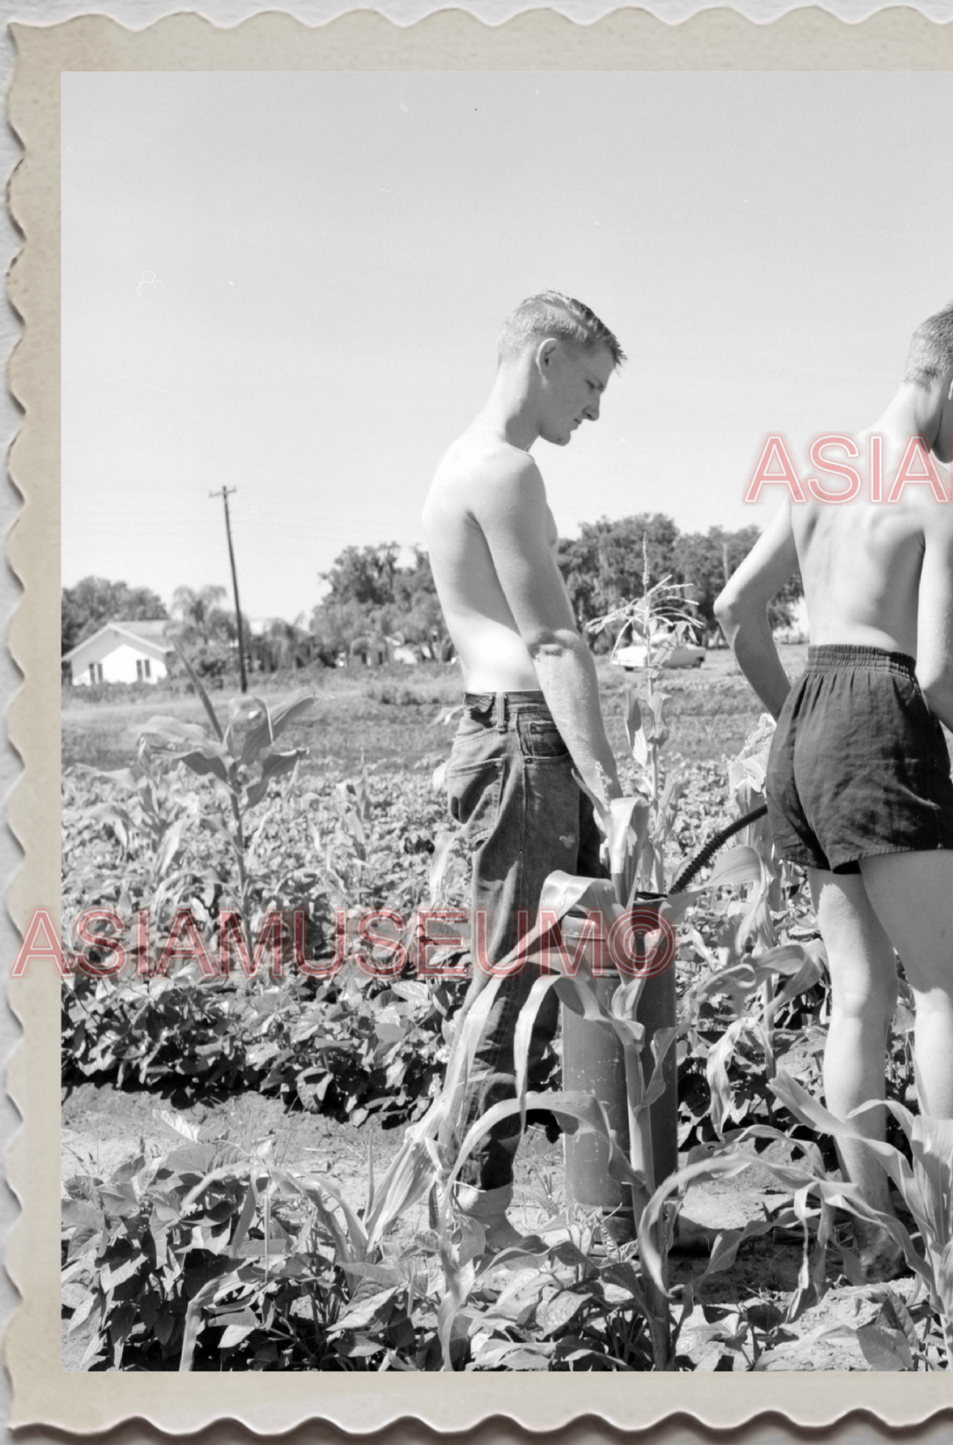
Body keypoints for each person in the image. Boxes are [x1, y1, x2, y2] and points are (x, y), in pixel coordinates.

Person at [714, 295, 953, 1270]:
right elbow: (938, 669)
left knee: (858, 991)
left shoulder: (816, 472)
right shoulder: (942, 494)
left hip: (809, 718)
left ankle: (865, 1215)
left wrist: (799, 722)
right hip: (880, 716)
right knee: (951, 990)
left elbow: (736, 608)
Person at [422, 292, 625, 1252]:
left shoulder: (465, 463)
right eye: (587, 385)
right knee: (514, 984)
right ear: (544, 358)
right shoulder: (504, 471)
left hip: (506, 737)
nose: (592, 411)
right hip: (524, 741)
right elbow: (551, 639)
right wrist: (613, 789)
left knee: (547, 978)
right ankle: (476, 1221)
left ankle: (570, 1199)